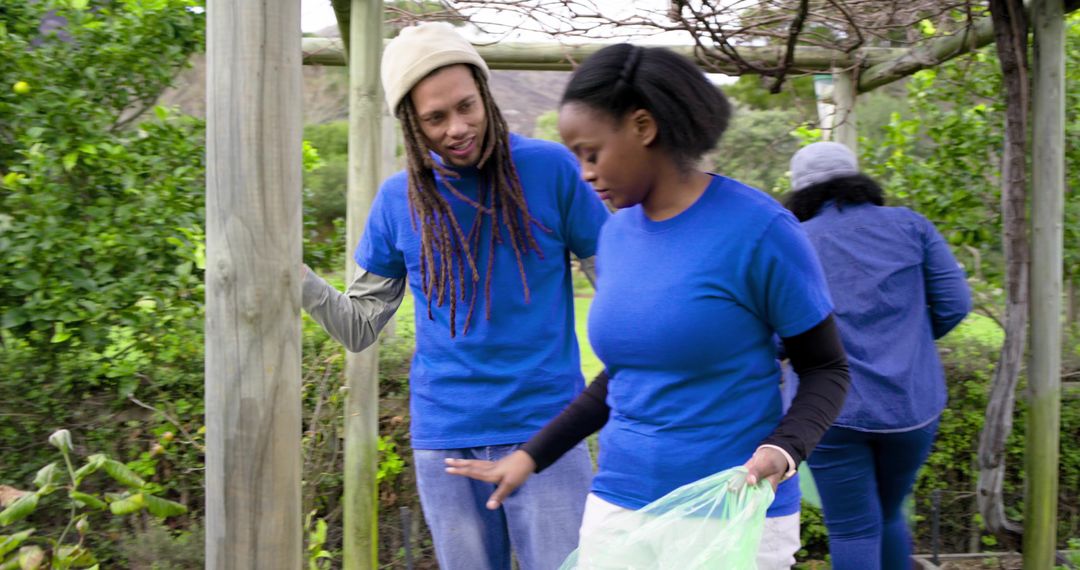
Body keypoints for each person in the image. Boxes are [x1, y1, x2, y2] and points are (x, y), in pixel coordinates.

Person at [445, 44, 851, 570]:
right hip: (619, 506)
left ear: (642, 126)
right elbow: (621, 379)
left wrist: (786, 449)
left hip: (726, 508)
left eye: (592, 153)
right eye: (576, 157)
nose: (585, 173)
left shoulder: (760, 231)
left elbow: (826, 366)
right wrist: (531, 455)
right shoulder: (616, 236)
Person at [300, 23, 610, 570]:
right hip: (448, 441)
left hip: (548, 428)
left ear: (485, 94)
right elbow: (359, 325)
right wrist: (293, 277)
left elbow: (618, 281)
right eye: (435, 118)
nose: (458, 127)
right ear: (411, 125)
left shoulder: (552, 170)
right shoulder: (399, 201)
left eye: (467, 106)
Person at [784, 141, 972, 570]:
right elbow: (955, 304)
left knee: (853, 528)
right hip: (911, 407)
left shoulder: (795, 240)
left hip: (828, 411)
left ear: (799, 191)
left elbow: (778, 334)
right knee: (888, 513)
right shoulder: (912, 226)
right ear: (856, 179)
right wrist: (912, 344)